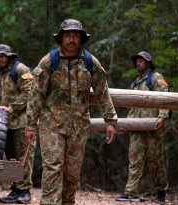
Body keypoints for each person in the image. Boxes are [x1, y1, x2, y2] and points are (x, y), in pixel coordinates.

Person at [25, 19, 118, 204]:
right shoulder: (49, 61)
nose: (71, 40)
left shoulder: (90, 62)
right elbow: (36, 96)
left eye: (75, 36)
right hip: (51, 125)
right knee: (52, 169)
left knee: (72, 173)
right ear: (61, 39)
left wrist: (111, 121)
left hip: (79, 127)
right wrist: (29, 125)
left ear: (81, 39)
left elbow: (102, 93)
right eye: (67, 36)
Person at [116, 51, 169, 203]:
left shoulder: (155, 77)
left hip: (153, 126)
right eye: (137, 61)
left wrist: (162, 116)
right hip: (137, 127)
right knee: (135, 160)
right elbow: (133, 107)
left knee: (156, 161)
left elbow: (165, 96)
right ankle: (130, 192)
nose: (138, 63)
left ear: (148, 62)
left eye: (141, 61)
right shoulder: (135, 83)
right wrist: (128, 123)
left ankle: (161, 191)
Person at [0, 44, 36, 204]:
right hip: (3, 125)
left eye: (3, 56)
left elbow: (30, 92)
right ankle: (15, 190)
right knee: (11, 158)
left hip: (23, 122)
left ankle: (24, 191)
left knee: (24, 156)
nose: (0, 59)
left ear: (9, 56)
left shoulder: (20, 69)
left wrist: (12, 108)